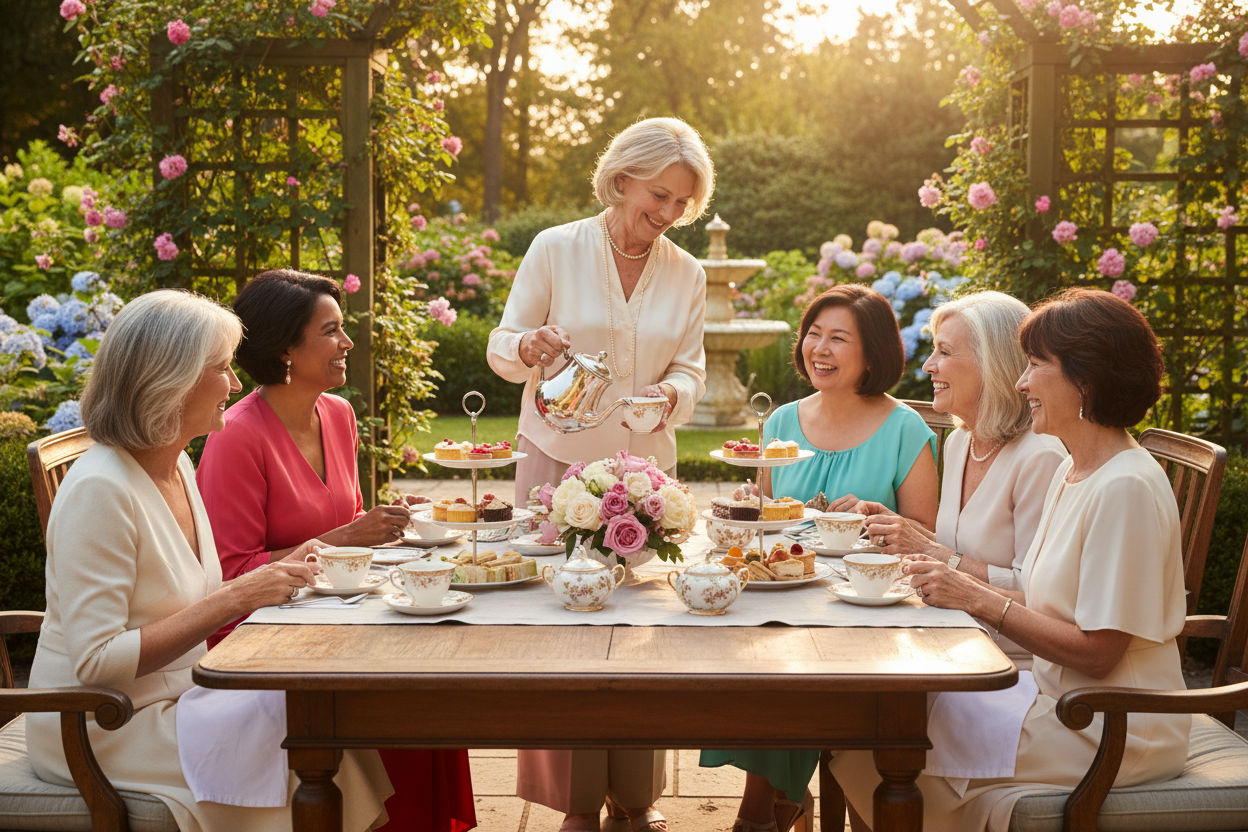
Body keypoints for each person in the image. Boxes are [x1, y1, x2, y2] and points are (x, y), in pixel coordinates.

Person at [25, 290, 393, 832]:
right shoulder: (100, 489)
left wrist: (290, 566)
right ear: (169, 381)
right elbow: (96, 663)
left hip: (179, 697)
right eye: (222, 369)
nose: (238, 384)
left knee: (328, 725)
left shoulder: (174, 465)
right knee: (306, 752)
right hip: (102, 726)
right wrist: (240, 596)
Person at [832, 287, 1191, 832]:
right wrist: (955, 580)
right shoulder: (1077, 471)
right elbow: (1045, 602)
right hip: (1056, 701)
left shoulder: (1126, 487)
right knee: (864, 734)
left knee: (876, 745)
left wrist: (974, 595)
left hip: (1112, 725)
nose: (1021, 382)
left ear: (1084, 379)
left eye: (1036, 366)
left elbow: (1098, 654)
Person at [486, 116, 715, 832]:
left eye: (682, 202)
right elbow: (500, 343)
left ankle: (638, 801)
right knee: (563, 630)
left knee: (644, 633)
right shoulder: (556, 248)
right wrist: (528, 344)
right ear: (620, 180)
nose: (669, 213)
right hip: (556, 460)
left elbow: (692, 366)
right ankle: (577, 806)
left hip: (646, 474)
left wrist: (671, 394)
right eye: (659, 194)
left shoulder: (689, 272)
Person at [196, 270, 476, 832]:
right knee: (404, 689)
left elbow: (340, 523)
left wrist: (394, 520)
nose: (348, 343)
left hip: (337, 610)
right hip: (263, 634)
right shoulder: (237, 437)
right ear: (284, 350)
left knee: (437, 667)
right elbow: (230, 576)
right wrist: (348, 538)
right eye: (332, 331)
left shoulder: (338, 414)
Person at [701, 283, 939, 832]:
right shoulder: (782, 422)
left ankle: (761, 812)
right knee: (754, 652)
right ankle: (777, 802)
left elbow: (923, 534)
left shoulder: (906, 429)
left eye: (838, 339)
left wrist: (877, 518)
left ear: (873, 354)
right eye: (814, 335)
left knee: (793, 664)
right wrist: (747, 507)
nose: (820, 349)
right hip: (786, 589)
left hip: (866, 609)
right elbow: (763, 516)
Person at [849, 291, 1068, 670]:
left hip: (1007, 662)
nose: (928, 366)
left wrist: (935, 553)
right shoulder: (961, 442)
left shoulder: (1041, 458)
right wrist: (903, 531)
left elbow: (1036, 593)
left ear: (994, 364)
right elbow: (961, 550)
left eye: (945, 353)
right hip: (949, 633)